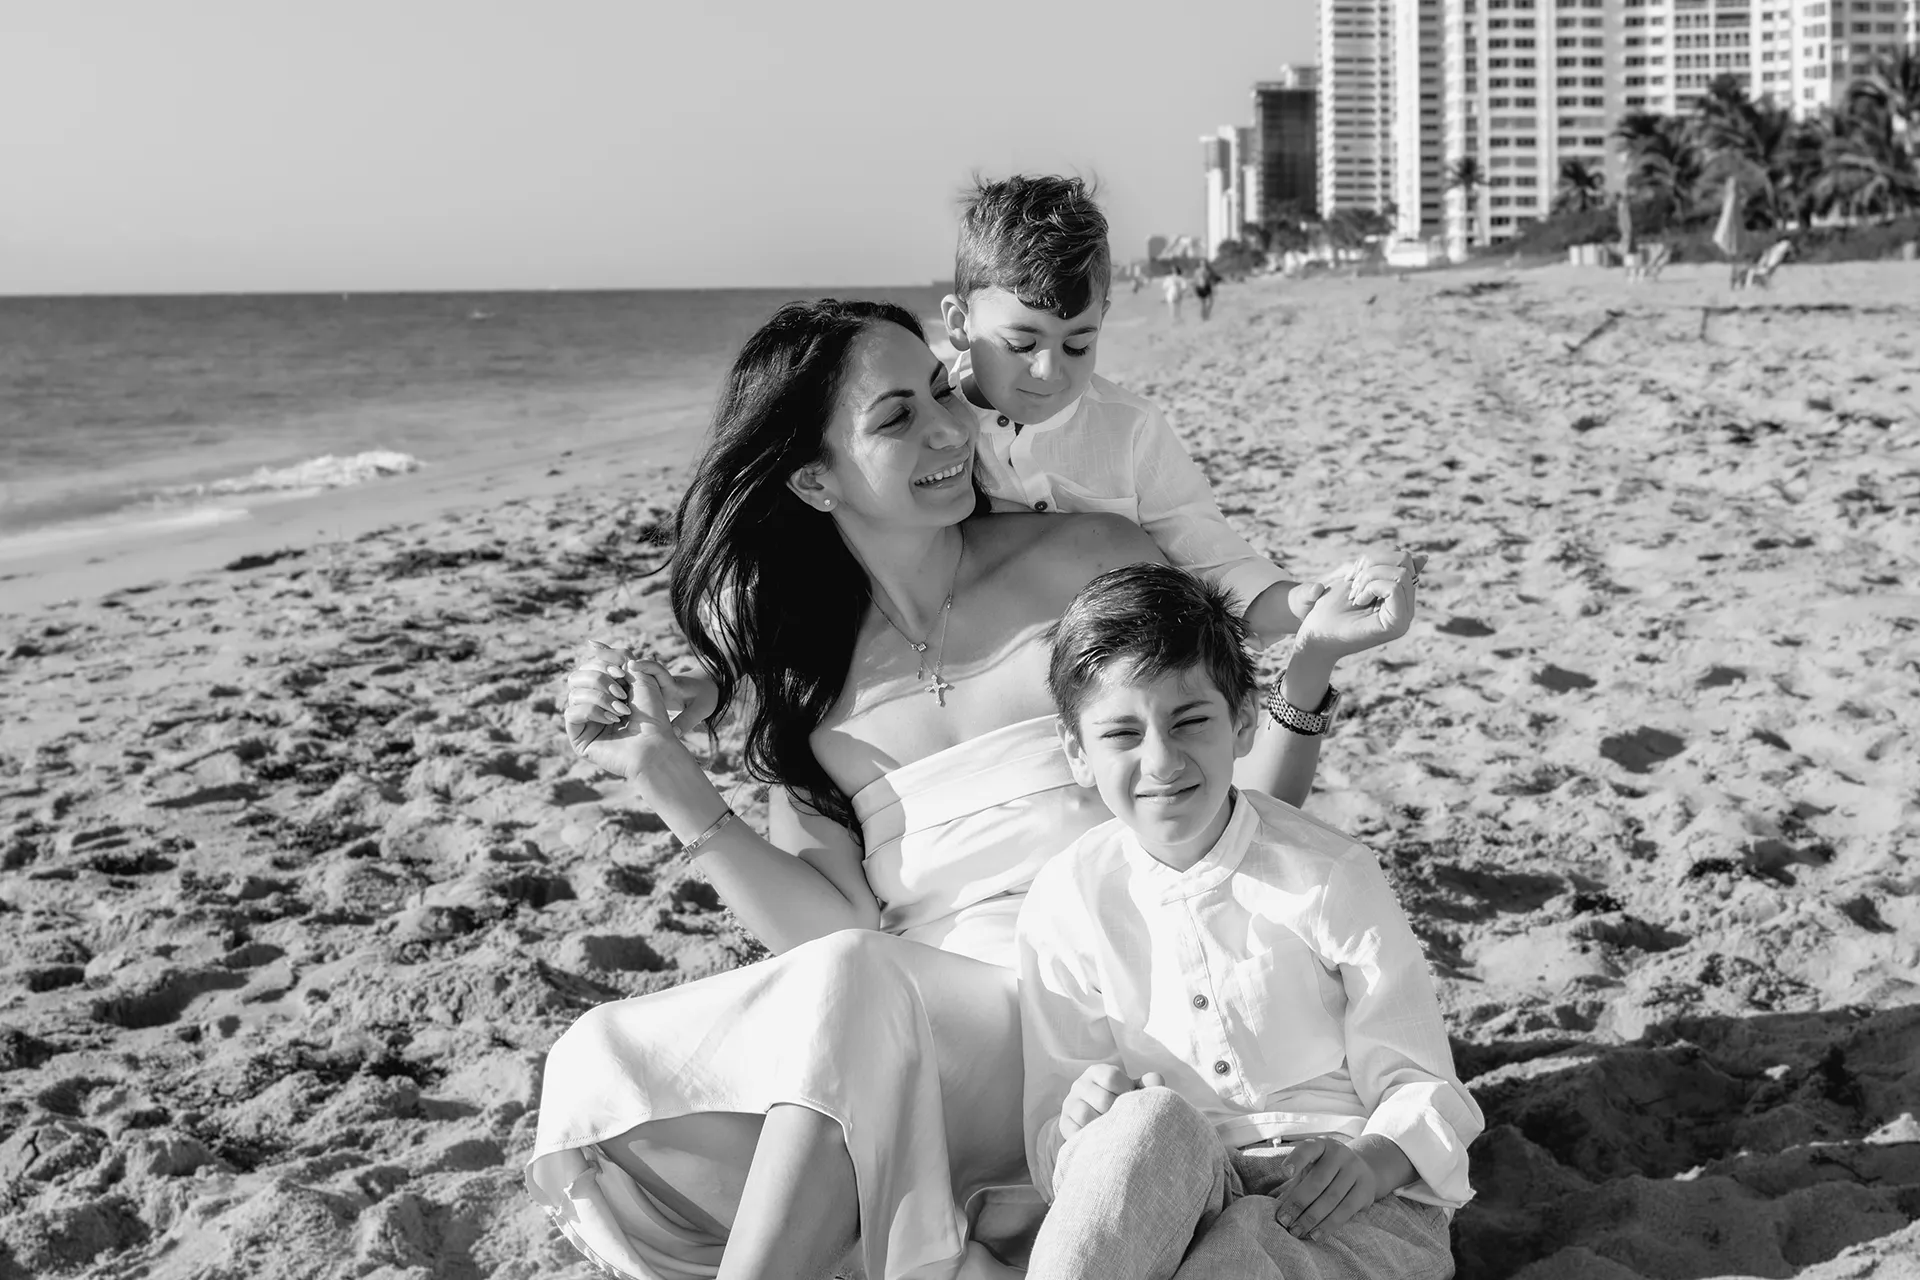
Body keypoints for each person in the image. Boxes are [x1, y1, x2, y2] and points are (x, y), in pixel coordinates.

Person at [532, 297, 1419, 1280]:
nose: (951, 426)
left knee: (858, 983)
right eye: (896, 415)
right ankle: (947, 1225)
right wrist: (664, 773)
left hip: (1109, 1004)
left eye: (942, 390)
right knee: (604, 1061)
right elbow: (828, 928)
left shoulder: (1083, 559)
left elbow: (1232, 808)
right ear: (814, 478)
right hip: (919, 1040)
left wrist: (1310, 668)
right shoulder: (807, 682)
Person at [1019, 563, 1483, 1280]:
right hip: (1177, 1192)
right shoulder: (1066, 902)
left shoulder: (1327, 874)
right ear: (1077, 752)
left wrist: (1375, 1158)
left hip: (1342, 1198)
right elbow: (1060, 1160)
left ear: (1241, 722)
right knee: (1146, 1123)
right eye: (1121, 733)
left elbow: (1423, 1083)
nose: (1161, 760)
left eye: (1190, 721)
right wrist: (1078, 1123)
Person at [938, 176, 1406, 654]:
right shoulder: (929, 426)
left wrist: (1297, 604)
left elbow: (1200, 544)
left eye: (1079, 344)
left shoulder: (1128, 426)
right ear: (959, 325)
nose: (1049, 370)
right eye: (1021, 344)